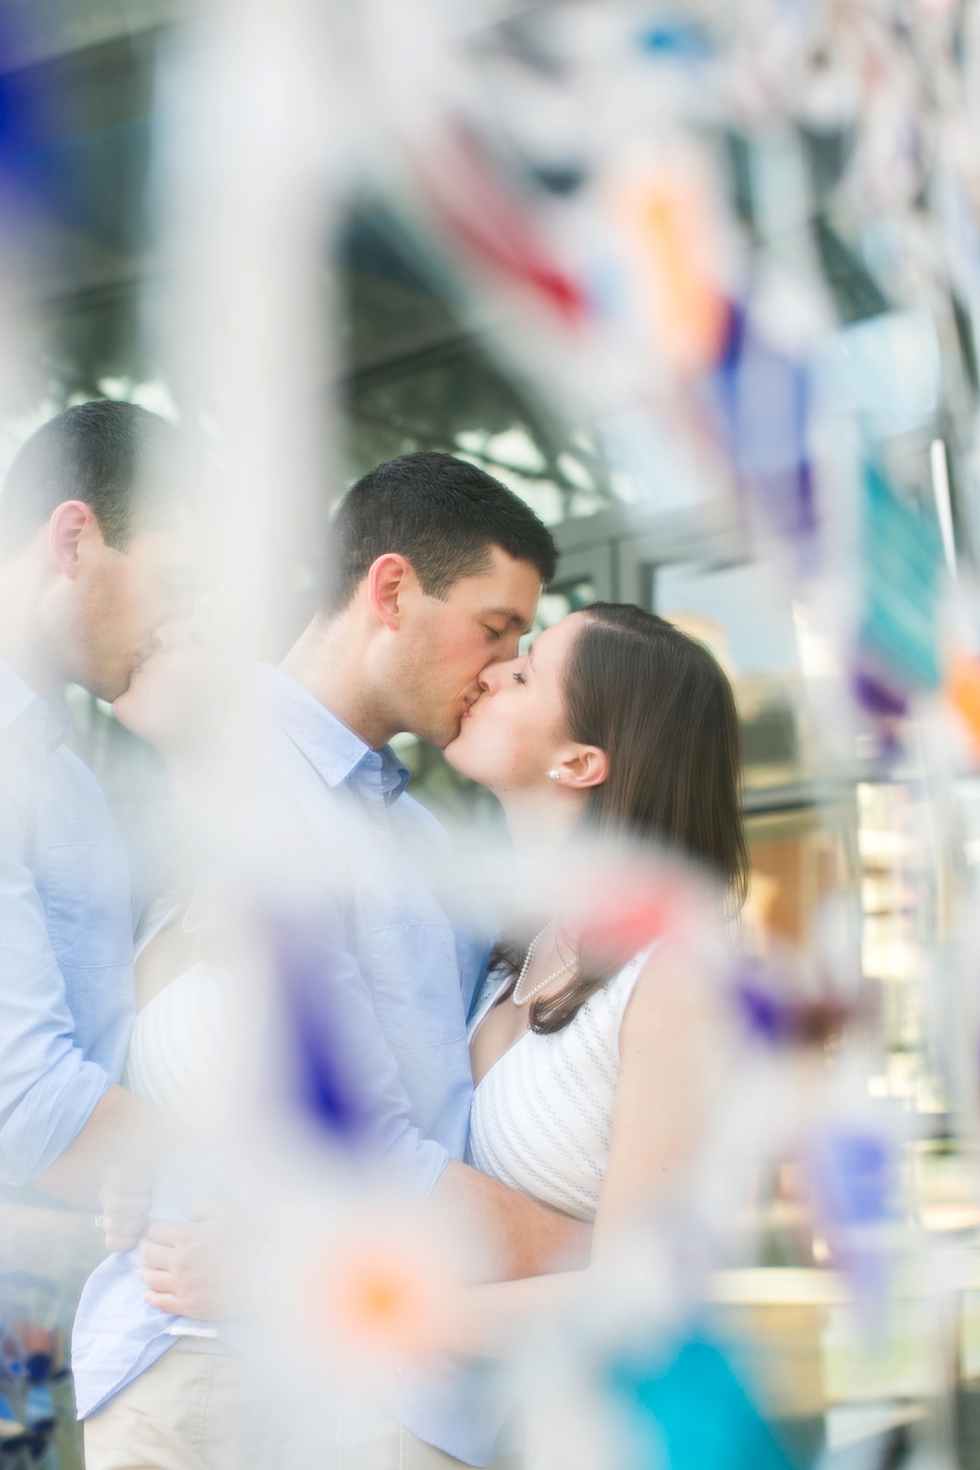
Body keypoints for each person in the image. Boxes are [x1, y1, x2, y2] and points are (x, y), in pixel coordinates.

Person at [74, 451, 592, 1470]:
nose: (499, 669)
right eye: (496, 630)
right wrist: (597, 1257)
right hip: (226, 1376)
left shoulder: (421, 840)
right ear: (391, 589)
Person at [445, 603, 747, 1341]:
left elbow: (642, 1295)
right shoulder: (502, 949)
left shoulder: (675, 976)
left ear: (579, 762)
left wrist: (374, 1317)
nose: (487, 672)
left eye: (523, 672)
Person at [0, 400, 193, 1221]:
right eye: (174, 583)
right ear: (73, 540)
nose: (177, 625)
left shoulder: (68, 779)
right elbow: (28, 1108)